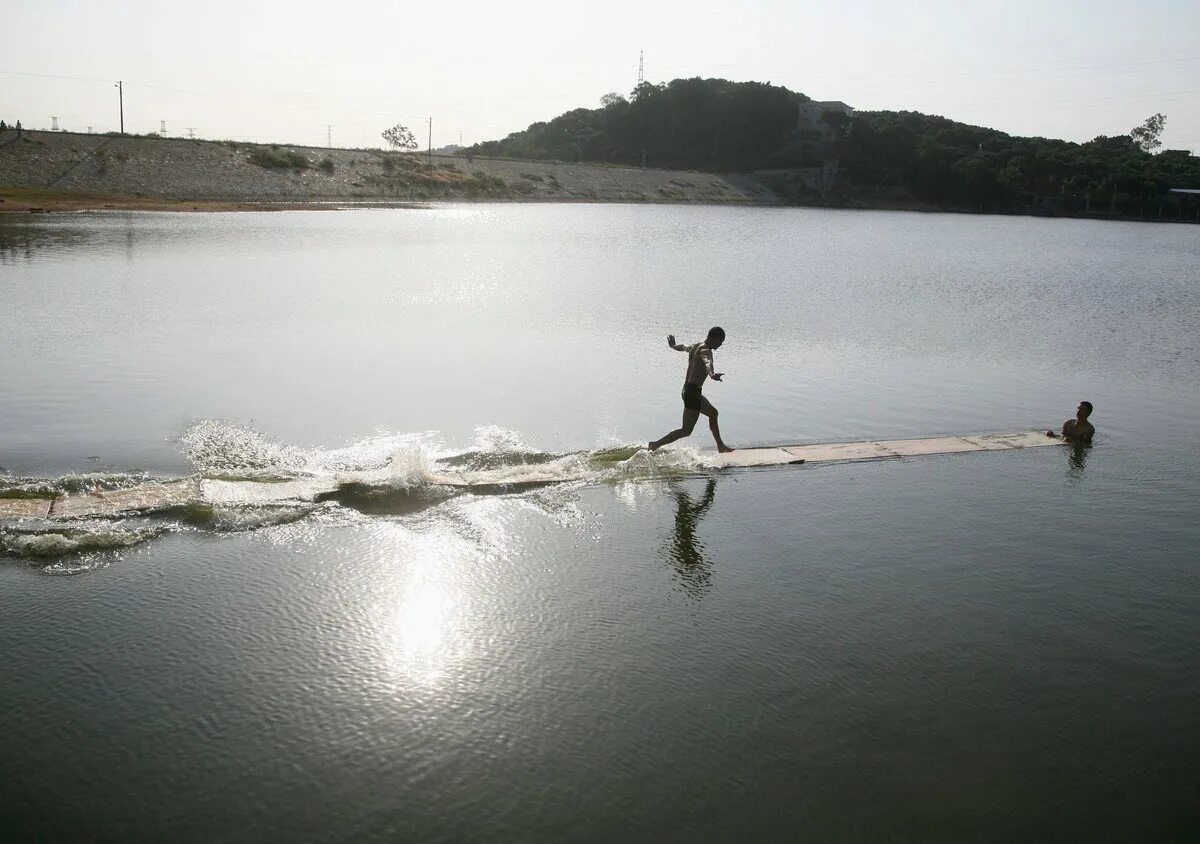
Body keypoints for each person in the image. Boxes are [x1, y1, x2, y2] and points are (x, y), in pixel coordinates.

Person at [649, 326, 734, 453]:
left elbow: (683, 347)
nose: (721, 344)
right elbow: (707, 362)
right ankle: (655, 444)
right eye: (721, 341)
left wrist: (673, 346)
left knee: (712, 414)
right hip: (692, 393)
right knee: (686, 430)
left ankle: (720, 446)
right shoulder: (706, 351)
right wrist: (712, 374)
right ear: (715, 338)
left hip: (687, 389)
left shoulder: (696, 346)